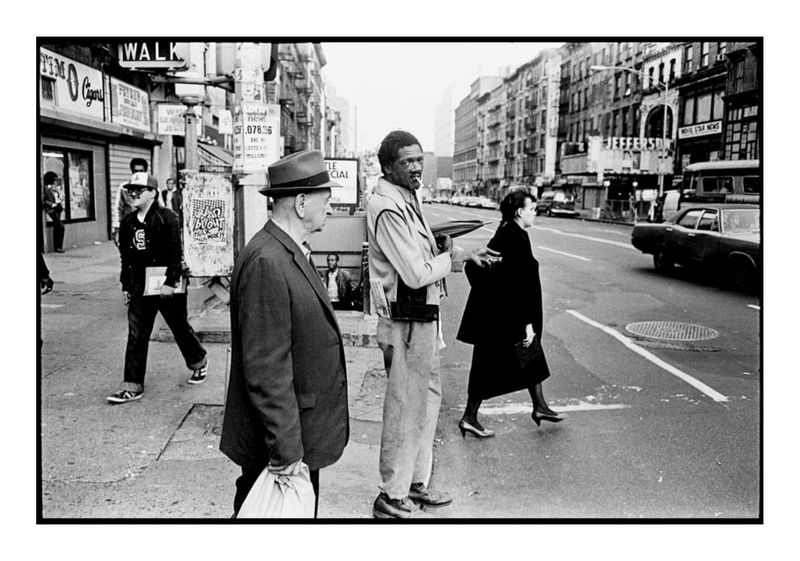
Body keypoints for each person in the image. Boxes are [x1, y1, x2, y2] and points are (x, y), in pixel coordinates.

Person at [366, 130, 499, 519]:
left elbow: (422, 251)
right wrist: (456, 259)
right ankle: (390, 495)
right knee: (405, 408)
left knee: (426, 403)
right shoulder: (387, 207)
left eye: (419, 160)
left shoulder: (408, 197)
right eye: (406, 161)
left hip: (422, 316)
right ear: (387, 167)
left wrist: (457, 250)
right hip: (405, 320)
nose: (415, 167)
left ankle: (414, 484)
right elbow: (414, 272)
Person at [219, 150, 349, 519]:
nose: (330, 208)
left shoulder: (286, 250)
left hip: (298, 435)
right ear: (302, 203)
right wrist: (287, 452)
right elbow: (267, 369)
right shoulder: (267, 261)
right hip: (281, 445)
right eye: (326, 199)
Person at [457, 188, 564, 439]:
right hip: (503, 317)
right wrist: (527, 323)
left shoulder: (510, 232)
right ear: (519, 212)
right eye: (531, 209)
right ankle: (469, 417)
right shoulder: (514, 237)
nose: (535, 213)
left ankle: (539, 405)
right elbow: (518, 285)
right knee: (489, 364)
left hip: (500, 314)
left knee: (529, 355)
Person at [106, 172, 208, 404]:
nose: (133, 194)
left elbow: (175, 253)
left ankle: (199, 361)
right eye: (130, 190)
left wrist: (171, 282)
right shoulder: (128, 222)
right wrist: (125, 286)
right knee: (136, 334)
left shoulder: (167, 217)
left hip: (166, 285)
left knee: (179, 327)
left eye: (138, 190)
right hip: (139, 285)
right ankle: (132, 385)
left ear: (152, 193)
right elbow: (126, 258)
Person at [112, 158, 149, 247]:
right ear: (132, 172)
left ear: (145, 172)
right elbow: (118, 209)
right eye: (136, 171)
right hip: (129, 227)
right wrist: (117, 231)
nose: (138, 174)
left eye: (141, 171)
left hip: (148, 228)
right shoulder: (124, 188)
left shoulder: (152, 189)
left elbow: (161, 208)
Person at [42, 171, 65, 253]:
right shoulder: (45, 188)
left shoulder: (53, 188)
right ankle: (59, 246)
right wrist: (53, 205)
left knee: (57, 227)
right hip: (52, 210)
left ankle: (57, 247)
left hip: (57, 209)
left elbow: (56, 197)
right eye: (54, 179)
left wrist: (59, 201)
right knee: (61, 227)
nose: (55, 181)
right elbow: (43, 201)